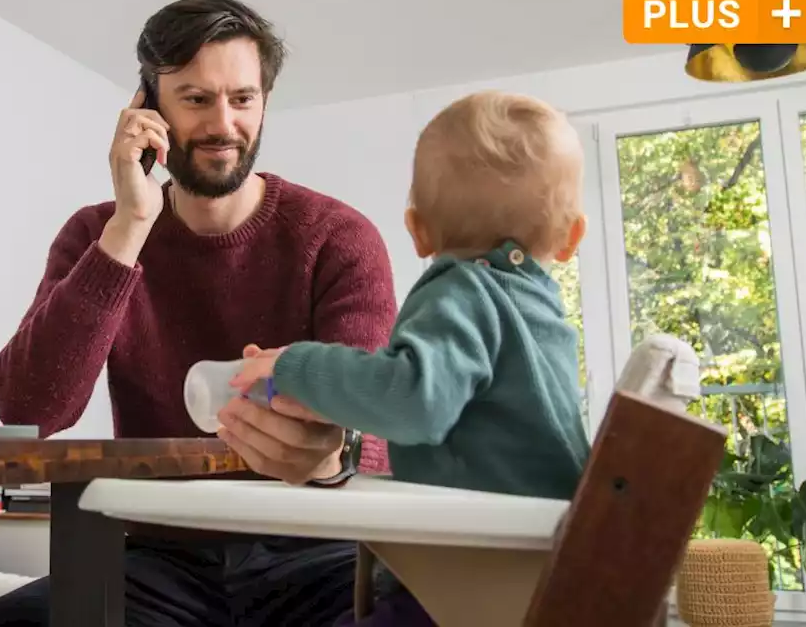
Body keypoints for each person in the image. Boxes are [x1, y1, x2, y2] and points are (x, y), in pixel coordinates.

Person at [0, 0, 398, 626]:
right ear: (149, 109)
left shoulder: (338, 237)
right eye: (196, 99)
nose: (223, 123)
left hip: (319, 550)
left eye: (242, 99)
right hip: (155, 557)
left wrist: (334, 454)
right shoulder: (98, 233)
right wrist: (130, 226)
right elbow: (29, 407)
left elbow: (375, 432)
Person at [232, 90, 593, 626]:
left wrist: (294, 366)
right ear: (571, 239)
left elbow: (411, 398)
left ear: (418, 230)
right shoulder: (540, 314)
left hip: (475, 580)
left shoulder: (463, 293)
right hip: (543, 566)